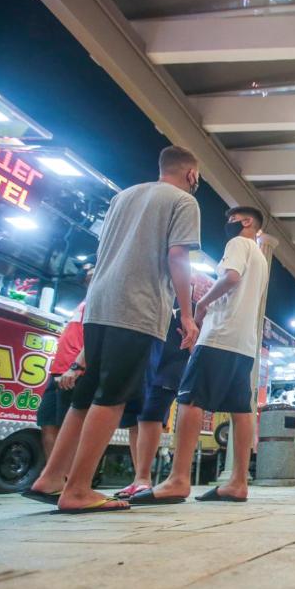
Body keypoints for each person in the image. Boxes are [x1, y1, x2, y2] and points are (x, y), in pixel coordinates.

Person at [26, 146, 202, 513]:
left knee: (84, 397)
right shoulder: (184, 202)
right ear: (191, 174)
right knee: (112, 396)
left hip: (99, 305)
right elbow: (177, 256)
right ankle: (78, 490)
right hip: (137, 308)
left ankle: (52, 478)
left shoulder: (123, 196)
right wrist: (186, 315)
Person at [136, 205, 268, 504]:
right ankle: (238, 482)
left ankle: (178, 479)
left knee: (190, 399)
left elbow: (231, 277)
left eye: (232, 220)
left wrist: (202, 305)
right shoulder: (261, 257)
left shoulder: (238, 244)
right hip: (243, 342)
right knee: (241, 409)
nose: (229, 225)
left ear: (247, 222)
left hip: (219, 335)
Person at [115, 309, 191, 499]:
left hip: (171, 358)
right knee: (136, 415)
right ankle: (139, 478)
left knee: (150, 413)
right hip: (145, 351)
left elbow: (202, 312)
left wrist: (193, 324)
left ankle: (143, 479)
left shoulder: (187, 299)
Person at [33, 298, 87, 459]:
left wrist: (77, 366)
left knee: (69, 429)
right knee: (47, 422)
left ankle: (69, 479)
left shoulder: (103, 297)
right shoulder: (84, 301)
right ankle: (54, 477)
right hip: (58, 370)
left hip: (75, 371)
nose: (88, 271)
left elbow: (96, 336)